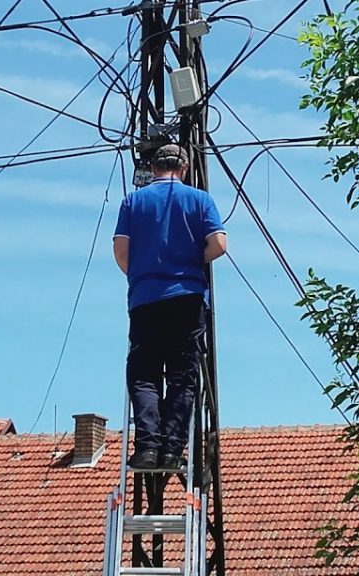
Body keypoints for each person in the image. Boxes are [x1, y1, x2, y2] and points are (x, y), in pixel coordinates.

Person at [112, 144, 228, 469]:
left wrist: (141, 274)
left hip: (145, 298)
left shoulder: (133, 202)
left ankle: (147, 447)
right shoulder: (199, 200)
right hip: (187, 297)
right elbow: (219, 244)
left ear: (153, 167)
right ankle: (172, 449)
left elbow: (121, 252)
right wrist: (190, 262)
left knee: (143, 374)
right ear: (185, 167)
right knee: (182, 376)